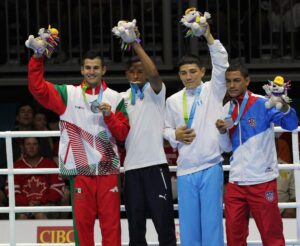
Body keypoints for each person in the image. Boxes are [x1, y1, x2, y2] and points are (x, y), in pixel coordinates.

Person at [27, 43, 130, 245]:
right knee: (82, 228)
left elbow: (122, 134)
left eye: (96, 68)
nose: (92, 72)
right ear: (82, 70)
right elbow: (37, 87)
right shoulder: (68, 94)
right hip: (81, 172)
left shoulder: (116, 98)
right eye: (88, 68)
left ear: (103, 70)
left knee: (111, 227)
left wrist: (109, 116)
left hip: (107, 171)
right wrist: (38, 57)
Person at [215, 63, 298, 246]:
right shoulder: (226, 109)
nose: (232, 85)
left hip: (262, 181)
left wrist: (284, 107)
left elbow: (291, 125)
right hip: (236, 183)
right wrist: (221, 132)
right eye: (228, 81)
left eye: (236, 80)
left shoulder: (263, 102)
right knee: (234, 239)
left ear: (247, 81)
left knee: (272, 237)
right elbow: (227, 149)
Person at [163, 22, 229, 246]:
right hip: (185, 170)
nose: (188, 76)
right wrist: (174, 134)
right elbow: (164, 129)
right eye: (183, 73)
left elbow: (221, 62)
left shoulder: (214, 90)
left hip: (211, 165)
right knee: (188, 228)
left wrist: (208, 35)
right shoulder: (172, 101)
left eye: (192, 72)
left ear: (202, 71)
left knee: (211, 225)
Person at [119, 27, 176, 245]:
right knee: (135, 230)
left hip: (155, 167)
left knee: (165, 227)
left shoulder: (156, 94)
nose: (136, 75)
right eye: (131, 71)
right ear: (126, 74)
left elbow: (154, 74)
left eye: (139, 70)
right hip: (131, 171)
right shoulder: (120, 99)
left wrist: (135, 43)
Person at [5, 137, 64, 219]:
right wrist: (28, 202)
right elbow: (12, 193)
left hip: (45, 205)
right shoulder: (16, 166)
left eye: (34, 144)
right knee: (22, 217)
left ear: (39, 146)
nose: (31, 147)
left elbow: (57, 189)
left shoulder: (50, 164)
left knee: (40, 215)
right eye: (28, 144)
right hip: (23, 206)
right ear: (23, 147)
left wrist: (40, 200)